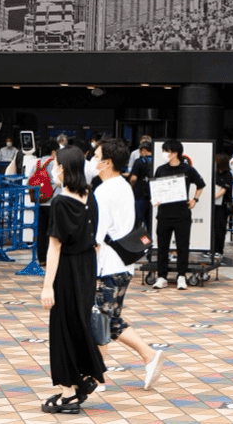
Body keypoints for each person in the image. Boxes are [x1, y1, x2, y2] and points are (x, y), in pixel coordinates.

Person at [92, 139, 165, 392]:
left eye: (96, 155)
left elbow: (97, 237)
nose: (93, 159)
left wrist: (90, 269)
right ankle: (147, 356)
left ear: (107, 162)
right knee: (109, 319)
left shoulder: (103, 191)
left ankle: (97, 376)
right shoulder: (123, 186)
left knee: (100, 318)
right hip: (124, 264)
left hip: (107, 266)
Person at [40, 145, 105, 413]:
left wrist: (47, 286)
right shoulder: (90, 196)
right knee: (79, 323)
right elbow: (96, 241)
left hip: (66, 269)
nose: (53, 170)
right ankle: (81, 380)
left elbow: (54, 247)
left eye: (56, 165)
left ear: (64, 169)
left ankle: (68, 393)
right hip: (87, 267)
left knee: (62, 328)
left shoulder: (59, 202)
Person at [151, 140, 205, 290]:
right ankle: (162, 276)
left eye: (166, 151)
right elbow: (155, 188)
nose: (164, 154)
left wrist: (195, 199)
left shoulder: (187, 170)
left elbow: (201, 184)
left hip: (182, 214)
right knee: (162, 246)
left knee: (182, 246)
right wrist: (155, 198)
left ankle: (182, 275)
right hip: (163, 214)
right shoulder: (160, 170)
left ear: (175, 153)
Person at [128, 141, 154, 232]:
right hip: (153, 194)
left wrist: (131, 187)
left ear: (143, 150)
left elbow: (133, 178)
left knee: (138, 218)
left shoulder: (139, 161)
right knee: (151, 220)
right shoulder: (156, 160)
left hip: (140, 194)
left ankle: (139, 242)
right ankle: (151, 241)